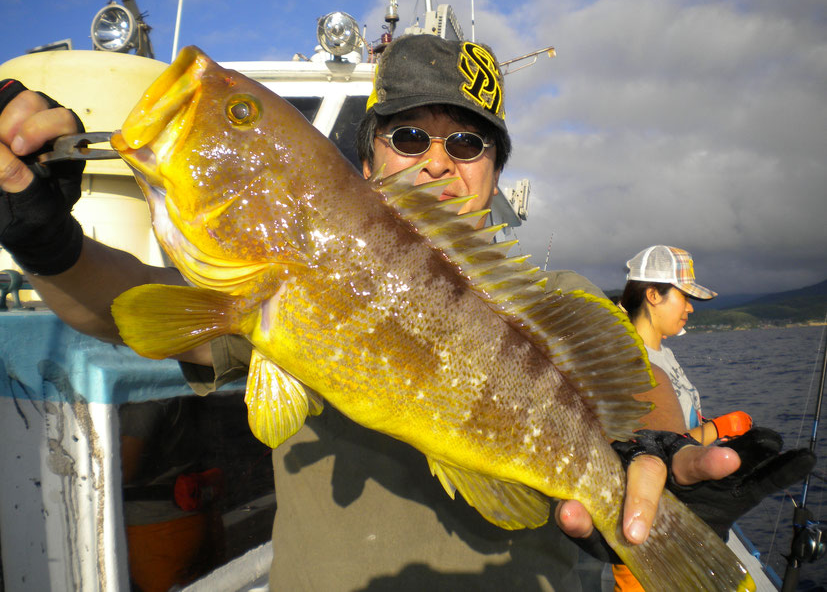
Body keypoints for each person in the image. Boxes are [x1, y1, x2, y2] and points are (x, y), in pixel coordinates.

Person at [0, 36, 805, 590]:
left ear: (493, 170)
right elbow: (124, 311)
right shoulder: (266, 293)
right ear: (367, 152)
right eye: (410, 133)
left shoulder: (558, 303)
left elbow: (642, 413)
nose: (435, 162)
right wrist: (46, 240)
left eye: (467, 145)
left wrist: (655, 469)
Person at [620, 245, 753, 446]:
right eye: (684, 296)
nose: (690, 308)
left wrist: (707, 425)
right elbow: (658, 449)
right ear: (653, 295)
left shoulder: (665, 354)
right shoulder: (630, 362)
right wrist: (718, 428)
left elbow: (674, 426)